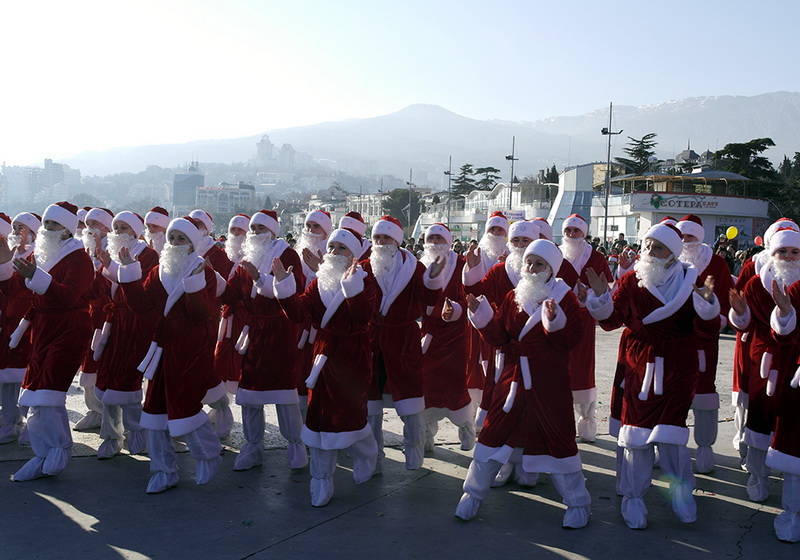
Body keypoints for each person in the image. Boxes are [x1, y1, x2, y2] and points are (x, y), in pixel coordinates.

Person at [584, 222, 720, 529]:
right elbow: (612, 320)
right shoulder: (633, 280)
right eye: (646, 246)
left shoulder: (690, 280)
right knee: (637, 436)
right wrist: (600, 297)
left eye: (657, 247)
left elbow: (706, 330)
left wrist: (708, 305)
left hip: (678, 366)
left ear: (672, 253)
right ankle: (633, 498)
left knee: (671, 439)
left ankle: (681, 494)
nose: (649, 252)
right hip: (640, 364)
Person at [456, 239, 591, 528]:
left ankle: (578, 503)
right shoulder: (513, 296)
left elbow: (572, 339)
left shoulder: (564, 297)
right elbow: (501, 337)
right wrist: (480, 317)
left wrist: (555, 322)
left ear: (551, 269)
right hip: (513, 380)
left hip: (549, 381)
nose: (531, 267)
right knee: (493, 436)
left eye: (539, 263)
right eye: (529, 262)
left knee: (559, 441)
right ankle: (472, 494)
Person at [272, 227, 379, 507]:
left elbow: (364, 318)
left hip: (353, 359)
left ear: (355, 254)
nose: (334, 253)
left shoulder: (366, 282)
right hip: (322, 357)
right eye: (332, 247)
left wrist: (351, 287)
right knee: (319, 419)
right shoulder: (318, 283)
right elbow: (298, 314)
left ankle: (367, 452)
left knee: (351, 418)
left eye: (342, 248)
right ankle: (321, 480)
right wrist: (284, 287)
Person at [117, 215, 223, 493]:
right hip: (163, 348)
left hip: (192, 349)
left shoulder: (204, 272)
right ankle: (164, 469)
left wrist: (195, 286)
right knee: (153, 409)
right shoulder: (158, 272)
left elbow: (201, 314)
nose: (175, 243)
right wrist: (129, 272)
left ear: (192, 244)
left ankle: (207, 454)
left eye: (182, 239)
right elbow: (140, 305)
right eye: (172, 237)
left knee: (185, 407)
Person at [1, 202, 95, 481]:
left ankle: (58, 450)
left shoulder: (80, 259)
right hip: (43, 329)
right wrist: (10, 263)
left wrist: (34, 276)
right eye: (46, 223)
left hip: (69, 329)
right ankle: (43, 453)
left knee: (49, 393)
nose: (46, 229)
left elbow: (68, 296)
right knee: (35, 393)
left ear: (67, 229)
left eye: (53, 224)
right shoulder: (46, 256)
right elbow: (17, 289)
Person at [220, 210, 308, 472]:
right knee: (250, 393)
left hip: (280, 331)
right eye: (253, 228)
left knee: (285, 393)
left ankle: (296, 445)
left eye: (260, 228)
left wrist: (262, 278)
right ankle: (253, 446)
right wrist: (207, 279)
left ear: (273, 231)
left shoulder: (287, 254)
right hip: (254, 333)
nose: (255, 233)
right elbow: (231, 292)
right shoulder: (247, 257)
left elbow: (297, 288)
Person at [362, 215, 444, 472]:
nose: (381, 242)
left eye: (386, 237)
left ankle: (415, 450)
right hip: (372, 338)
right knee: (370, 401)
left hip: (403, 338)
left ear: (397, 240)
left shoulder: (414, 267)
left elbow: (429, 300)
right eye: (377, 237)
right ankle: (373, 456)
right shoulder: (364, 267)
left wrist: (433, 278)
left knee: (410, 398)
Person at [729, 227, 800, 504]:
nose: (789, 256)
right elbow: (743, 324)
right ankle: (758, 475)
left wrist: (786, 313)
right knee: (760, 417)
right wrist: (739, 311)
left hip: (794, 361)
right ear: (772, 252)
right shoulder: (757, 283)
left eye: (795, 251)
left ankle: (789, 471)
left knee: (791, 418)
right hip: (765, 359)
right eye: (782, 251)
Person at [92, 211, 160, 459]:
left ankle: (136, 431)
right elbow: (101, 290)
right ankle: (111, 435)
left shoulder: (149, 255)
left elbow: (145, 290)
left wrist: (112, 266)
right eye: (116, 227)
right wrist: (104, 265)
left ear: (135, 232)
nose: (118, 232)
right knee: (107, 377)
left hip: (138, 323)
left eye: (124, 228)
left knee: (128, 381)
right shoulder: (110, 255)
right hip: (115, 322)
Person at [676, 214, 733, 473]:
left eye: (690, 236)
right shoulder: (670, 261)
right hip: (673, 338)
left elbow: (723, 302)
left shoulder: (717, 264)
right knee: (672, 394)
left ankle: (704, 448)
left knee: (704, 391)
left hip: (704, 340)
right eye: (682, 236)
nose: (686, 241)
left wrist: (709, 310)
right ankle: (672, 446)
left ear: (699, 237)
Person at [418, 224, 475, 453]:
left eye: (439, 238)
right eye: (431, 238)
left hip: (455, 338)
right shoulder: (419, 266)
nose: (434, 242)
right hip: (428, 339)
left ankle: (466, 427)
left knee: (455, 385)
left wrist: (457, 310)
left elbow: (473, 297)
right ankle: (426, 435)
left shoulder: (462, 265)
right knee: (426, 388)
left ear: (449, 241)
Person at [560, 213, 612, 443]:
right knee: (559, 368)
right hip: (559, 319)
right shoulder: (556, 254)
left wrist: (588, 295)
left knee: (583, 368)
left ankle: (587, 421)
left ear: (584, 233)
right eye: (568, 231)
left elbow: (607, 287)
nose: (572, 235)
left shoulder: (597, 257)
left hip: (584, 319)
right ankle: (561, 420)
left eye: (576, 231)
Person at [74, 207, 115, 431]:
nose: (89, 229)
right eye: (87, 224)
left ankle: (107, 414)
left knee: (104, 363)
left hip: (107, 317)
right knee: (88, 364)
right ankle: (94, 410)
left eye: (95, 224)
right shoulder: (83, 250)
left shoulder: (115, 250)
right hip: (89, 315)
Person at [0, 212, 40, 444]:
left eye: (22, 228)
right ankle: (9, 418)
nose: (17, 232)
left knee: (22, 373)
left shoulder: (38, 255)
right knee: (7, 373)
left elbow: (23, 288)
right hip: (8, 319)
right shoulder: (9, 253)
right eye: (15, 227)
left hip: (27, 322)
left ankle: (20, 421)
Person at [214, 214, 250, 396]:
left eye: (240, 230)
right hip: (226, 316)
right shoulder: (222, 256)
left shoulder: (253, 257)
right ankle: (221, 405)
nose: (236, 234)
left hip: (243, 317)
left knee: (240, 362)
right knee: (220, 359)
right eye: (233, 230)